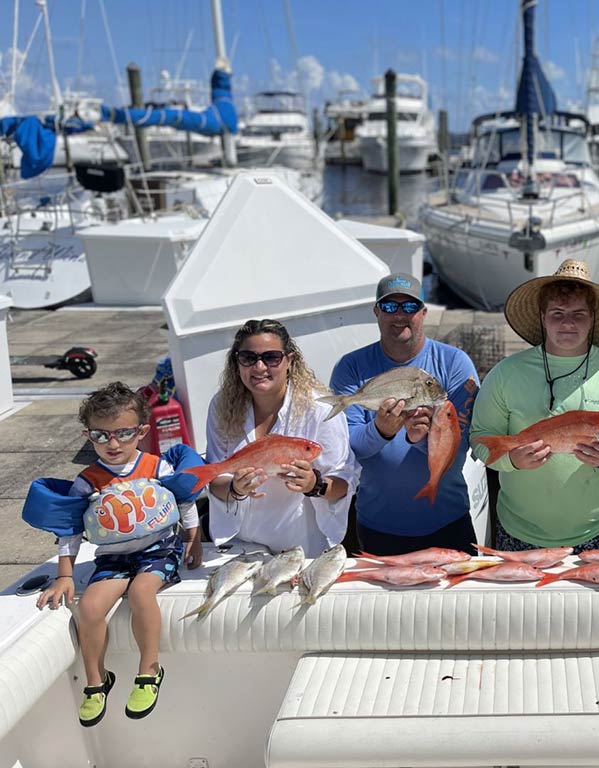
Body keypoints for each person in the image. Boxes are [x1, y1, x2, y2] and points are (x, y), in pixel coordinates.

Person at [36, 382, 202, 726]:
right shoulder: (88, 481)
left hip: (158, 550)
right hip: (114, 559)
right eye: (101, 435)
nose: (112, 444)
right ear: (88, 435)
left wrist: (193, 539)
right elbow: (69, 530)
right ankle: (97, 681)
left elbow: (185, 500)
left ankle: (149, 671)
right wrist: (65, 575)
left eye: (123, 434)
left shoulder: (156, 467)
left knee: (142, 593)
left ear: (141, 431)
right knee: (91, 606)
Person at [470, 259, 599, 551]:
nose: (568, 323)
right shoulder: (505, 374)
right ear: (542, 317)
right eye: (557, 314)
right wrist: (512, 461)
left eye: (579, 314)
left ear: (593, 318)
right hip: (520, 531)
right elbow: (482, 441)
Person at [329, 273, 480, 555]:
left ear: (423, 313)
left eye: (410, 307)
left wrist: (420, 439)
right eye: (389, 307)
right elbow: (349, 447)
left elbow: (460, 444)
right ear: (376, 311)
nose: (400, 315)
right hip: (378, 526)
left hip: (448, 521)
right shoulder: (351, 367)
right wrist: (382, 430)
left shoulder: (455, 363)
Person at [205, 319, 359, 554]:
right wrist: (236, 488)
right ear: (236, 362)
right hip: (241, 546)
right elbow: (215, 480)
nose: (259, 367)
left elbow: (344, 483)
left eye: (271, 357)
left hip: (300, 547)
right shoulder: (221, 405)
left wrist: (313, 484)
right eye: (248, 357)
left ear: (289, 361)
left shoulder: (320, 409)